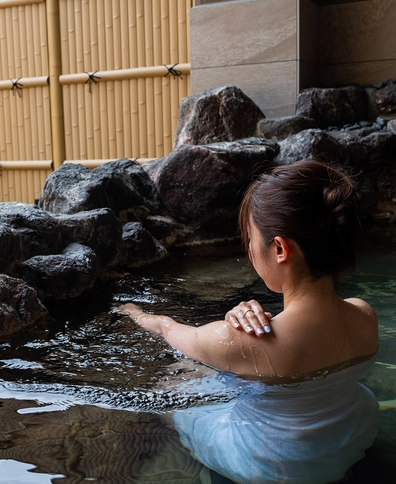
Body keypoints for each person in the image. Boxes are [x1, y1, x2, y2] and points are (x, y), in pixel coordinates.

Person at [117, 160, 379, 483]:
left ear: (280, 249)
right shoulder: (365, 315)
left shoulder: (244, 342)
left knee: (176, 376)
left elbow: (167, 329)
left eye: (252, 239)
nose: (250, 250)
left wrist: (135, 313)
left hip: (271, 464)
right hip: (351, 436)